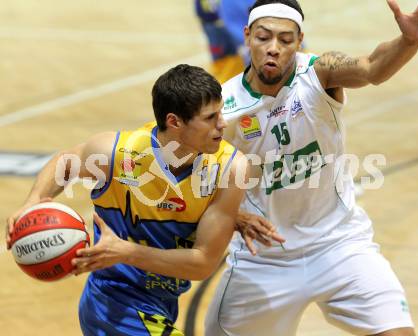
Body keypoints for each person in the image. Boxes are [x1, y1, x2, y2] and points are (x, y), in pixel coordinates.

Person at [205, 1, 418, 336]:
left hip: (339, 245)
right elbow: (195, 179)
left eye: (285, 40)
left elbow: (372, 67)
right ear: (247, 36)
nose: (273, 49)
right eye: (263, 37)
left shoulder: (319, 72)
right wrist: (235, 217)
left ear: (300, 40)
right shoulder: (223, 105)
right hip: (263, 261)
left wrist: (409, 41)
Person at [5, 64, 268, 336]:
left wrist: (126, 252)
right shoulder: (118, 153)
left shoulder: (230, 167)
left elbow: (202, 263)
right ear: (174, 122)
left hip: (161, 303)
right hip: (114, 303)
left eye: (221, 112)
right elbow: (66, 161)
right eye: (210, 117)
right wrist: (35, 199)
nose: (223, 124)